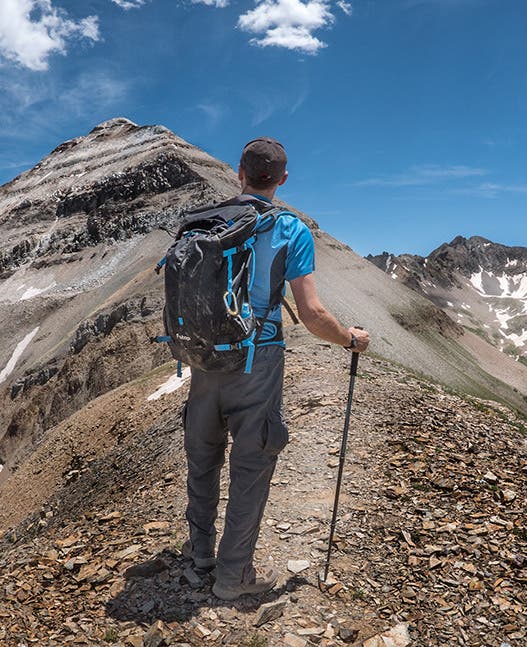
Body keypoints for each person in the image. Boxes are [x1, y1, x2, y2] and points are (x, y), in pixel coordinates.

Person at [181, 137, 371, 601]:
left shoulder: (203, 222)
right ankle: (232, 576)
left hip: (203, 360)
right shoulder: (290, 229)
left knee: (203, 459)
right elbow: (310, 313)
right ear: (282, 180)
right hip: (257, 361)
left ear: (238, 173)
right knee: (252, 464)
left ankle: (200, 554)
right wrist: (350, 338)